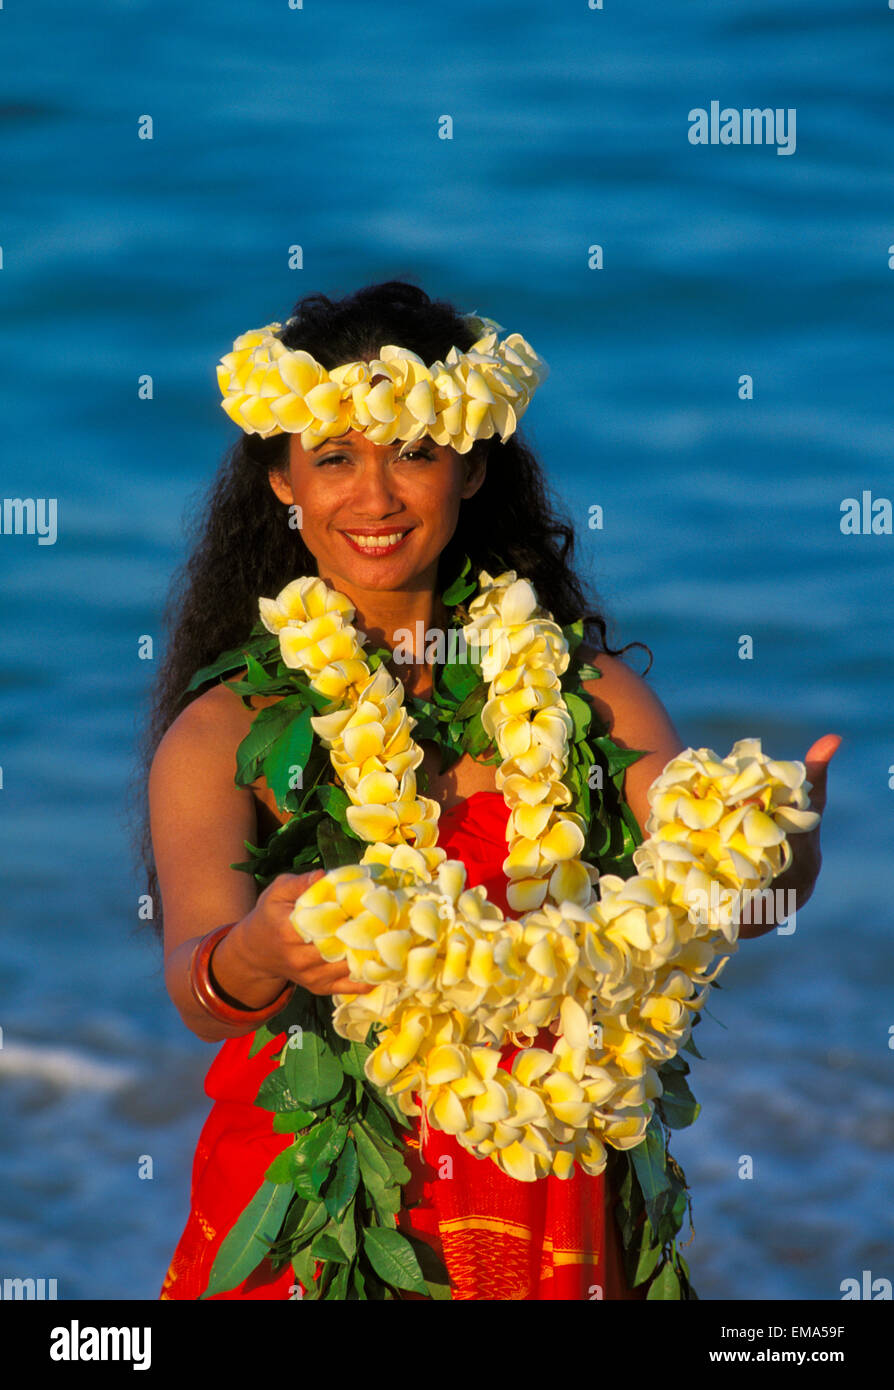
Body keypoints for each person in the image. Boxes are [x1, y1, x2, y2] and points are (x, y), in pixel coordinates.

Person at [137, 279, 837, 1300]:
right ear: (283, 481)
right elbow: (199, 987)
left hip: (549, 1173)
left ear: (469, 467)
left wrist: (783, 846)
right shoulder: (226, 730)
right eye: (334, 457)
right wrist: (261, 949)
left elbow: (717, 890)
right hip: (324, 1208)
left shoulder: (585, 699)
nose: (374, 497)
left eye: (414, 450)